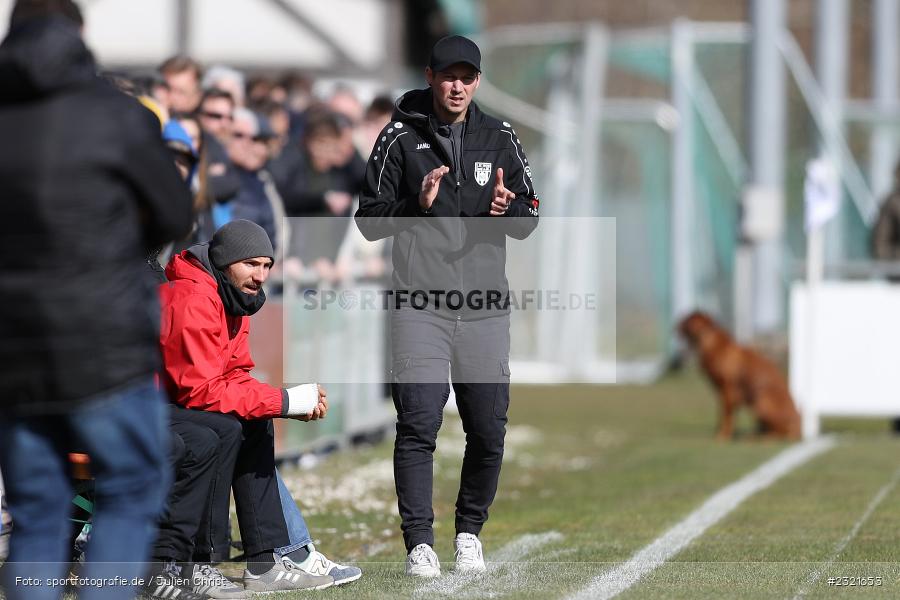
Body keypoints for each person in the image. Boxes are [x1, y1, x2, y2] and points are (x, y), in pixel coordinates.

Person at [0, 1, 193, 599]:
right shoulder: (116, 114)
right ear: (78, 34)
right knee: (131, 487)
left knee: (36, 511)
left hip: (13, 346)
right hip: (101, 339)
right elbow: (175, 212)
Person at [354, 35, 539, 577]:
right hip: (420, 306)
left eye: (468, 76)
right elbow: (369, 220)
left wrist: (510, 209)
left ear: (477, 82)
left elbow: (531, 214)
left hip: (483, 306)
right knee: (419, 422)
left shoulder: (499, 136)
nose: (457, 86)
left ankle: (469, 533)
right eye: (448, 75)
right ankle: (419, 543)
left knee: (488, 428)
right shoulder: (397, 136)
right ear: (431, 76)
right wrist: (416, 205)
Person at [158, 220, 361, 592]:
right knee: (226, 429)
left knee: (255, 422)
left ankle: (265, 562)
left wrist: (285, 401)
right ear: (225, 260)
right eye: (252, 264)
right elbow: (198, 390)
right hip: (154, 406)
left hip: (182, 402)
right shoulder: (194, 297)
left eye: (267, 266)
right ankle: (204, 561)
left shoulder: (231, 295)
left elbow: (234, 375)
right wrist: (284, 401)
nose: (261, 275)